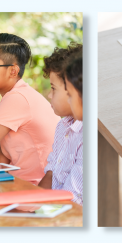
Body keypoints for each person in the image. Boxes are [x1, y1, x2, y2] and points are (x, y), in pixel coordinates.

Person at [0, 33, 59, 185]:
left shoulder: (17, 99)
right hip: (23, 185)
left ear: (13, 71)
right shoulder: (19, 95)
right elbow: (0, 162)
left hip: (37, 191)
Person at [37, 43, 84, 205]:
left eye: (53, 88)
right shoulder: (62, 126)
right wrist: (32, 205)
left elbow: (71, 198)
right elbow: (51, 173)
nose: (49, 95)